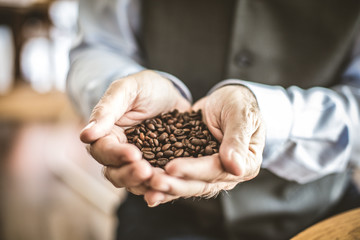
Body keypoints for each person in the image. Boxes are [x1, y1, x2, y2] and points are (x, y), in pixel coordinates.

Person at [67, 0, 360, 239]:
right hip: (162, 212)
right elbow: (98, 45)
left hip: (322, 214)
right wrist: (120, 93)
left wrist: (266, 115)